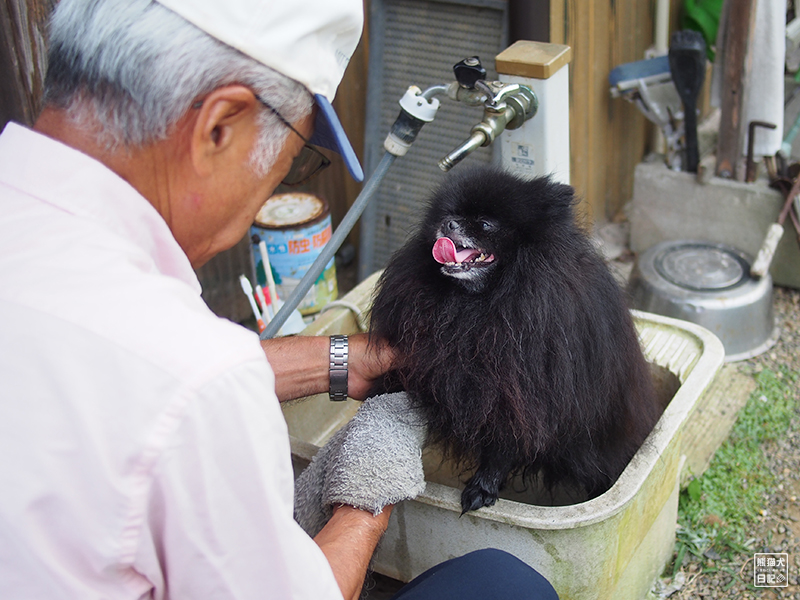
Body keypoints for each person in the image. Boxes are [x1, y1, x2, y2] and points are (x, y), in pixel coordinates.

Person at [0, 1, 559, 599]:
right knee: (506, 584)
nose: (268, 190)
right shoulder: (198, 385)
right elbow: (178, 388)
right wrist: (364, 499)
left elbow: (111, 381)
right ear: (220, 127)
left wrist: (351, 359)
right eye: (292, 164)